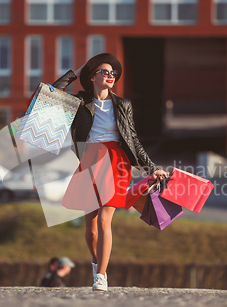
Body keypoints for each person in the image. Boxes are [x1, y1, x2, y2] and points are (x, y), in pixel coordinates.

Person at [51, 53, 168, 291]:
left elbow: (132, 139)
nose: (110, 76)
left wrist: (151, 168)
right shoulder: (80, 103)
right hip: (89, 160)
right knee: (91, 229)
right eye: (105, 72)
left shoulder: (123, 105)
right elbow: (52, 94)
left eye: (113, 73)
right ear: (92, 77)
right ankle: (97, 263)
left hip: (116, 161)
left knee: (105, 219)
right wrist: (75, 72)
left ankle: (101, 276)